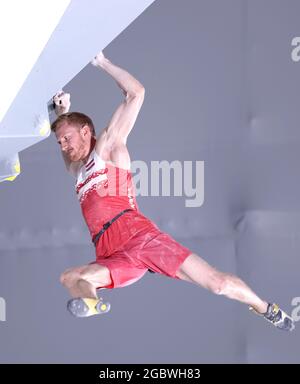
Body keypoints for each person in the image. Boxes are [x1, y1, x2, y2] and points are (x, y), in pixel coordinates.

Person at [51, 51, 294, 331]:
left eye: (67, 139)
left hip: (139, 237)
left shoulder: (107, 147)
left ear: (86, 131)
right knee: (70, 278)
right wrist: (62, 113)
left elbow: (136, 93)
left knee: (218, 284)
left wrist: (101, 62)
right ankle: (94, 303)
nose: (64, 147)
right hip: (111, 253)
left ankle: (266, 308)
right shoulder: (77, 169)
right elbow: (69, 154)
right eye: (59, 143)